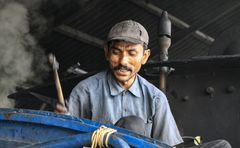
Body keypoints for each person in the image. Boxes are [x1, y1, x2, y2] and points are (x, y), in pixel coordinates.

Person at [55, 20, 231, 148]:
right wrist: (61, 119)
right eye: (117, 52)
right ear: (107, 52)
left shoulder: (155, 98)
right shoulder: (86, 91)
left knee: (221, 146)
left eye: (132, 53)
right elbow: (66, 139)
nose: (123, 61)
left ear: (145, 57)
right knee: (133, 126)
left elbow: (168, 145)